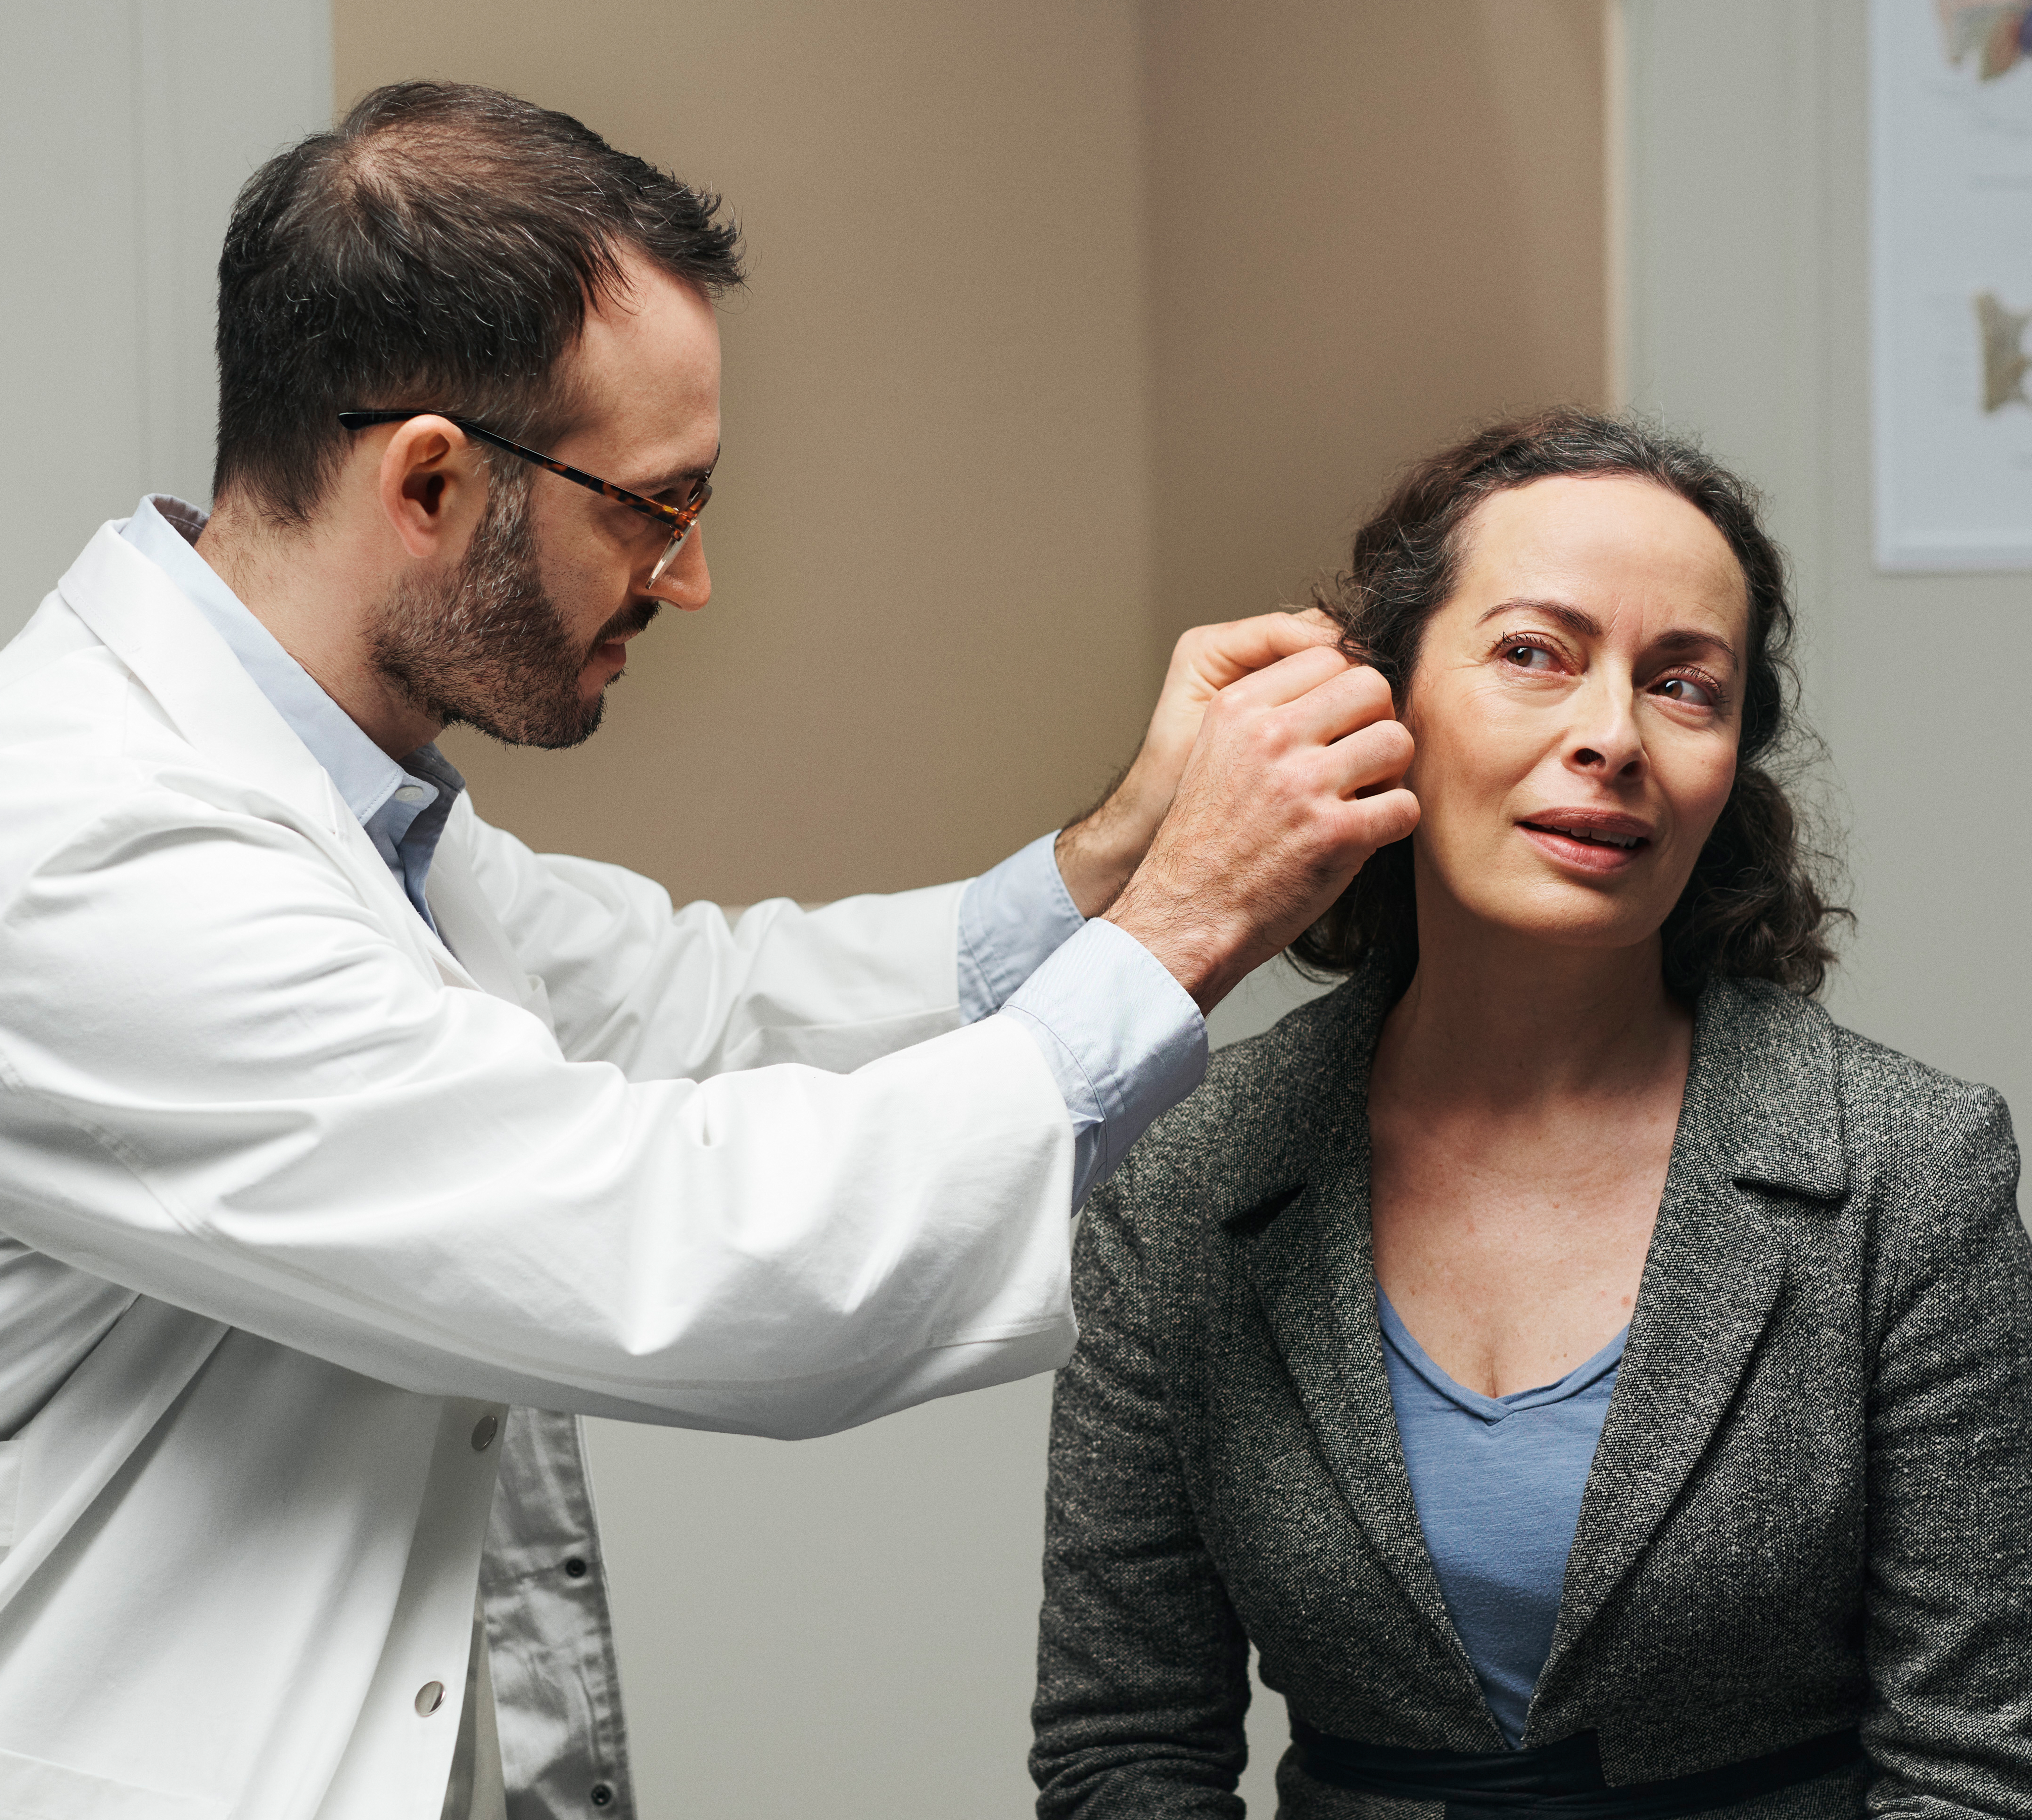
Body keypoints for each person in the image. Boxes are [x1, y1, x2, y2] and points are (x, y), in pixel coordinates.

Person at [0, 82, 1422, 1820]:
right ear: (432, 479)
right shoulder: (88, 856)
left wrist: (1114, 854)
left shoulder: (338, 808)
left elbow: (703, 1008)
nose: (687, 582)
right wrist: (1192, 925)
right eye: (652, 508)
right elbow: (677, 1248)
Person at [1031, 411, 2032, 1818]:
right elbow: (1123, 1752)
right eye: (1530, 655)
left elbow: (1971, 1767)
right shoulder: (1190, 1169)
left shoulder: (1904, 1168)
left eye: (1685, 686)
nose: (1609, 735)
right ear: (1379, 707)